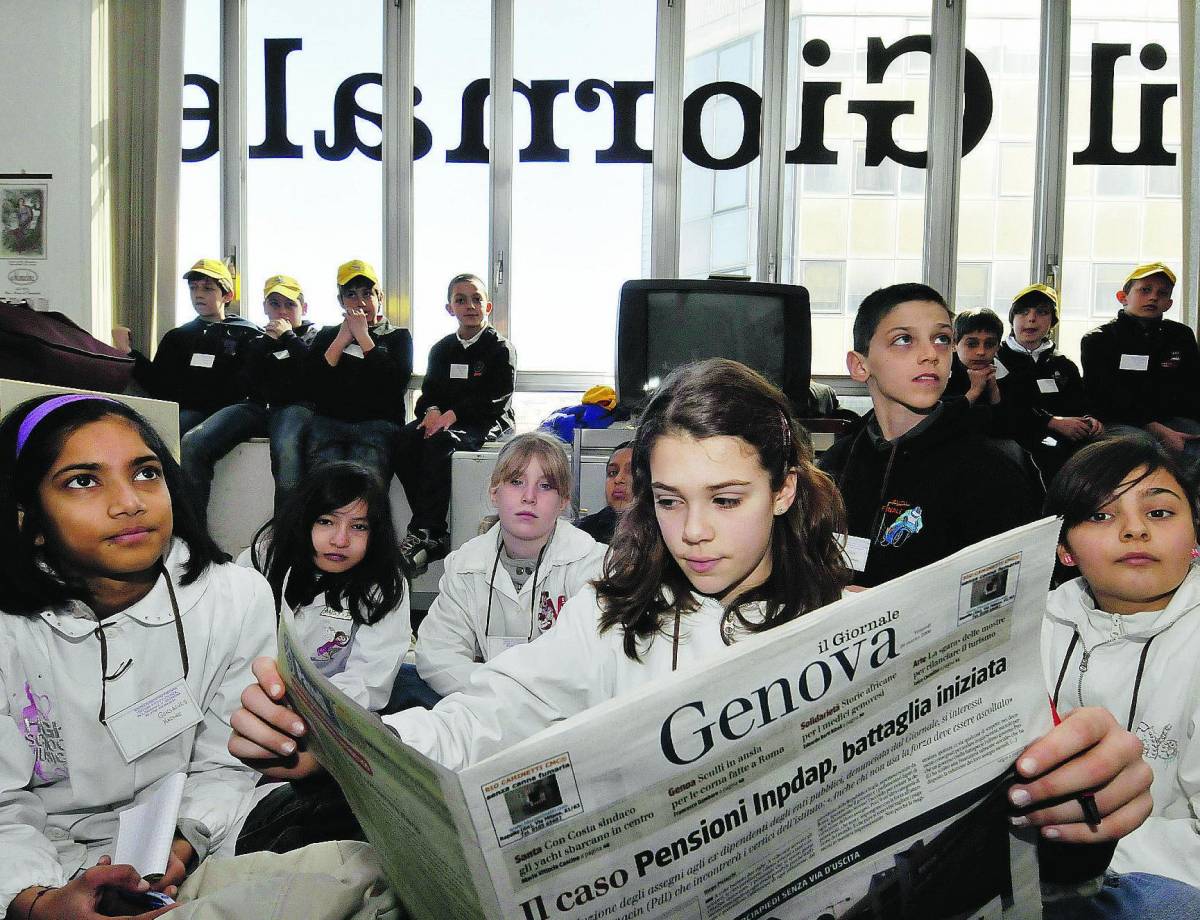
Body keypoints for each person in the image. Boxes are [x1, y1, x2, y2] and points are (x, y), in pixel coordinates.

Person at [228, 359, 1176, 916]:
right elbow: (491, 709)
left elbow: (994, 807)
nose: (693, 532)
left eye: (726, 500)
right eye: (671, 501)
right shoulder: (620, 613)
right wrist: (354, 754)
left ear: (786, 490)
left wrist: (1073, 801)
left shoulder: (860, 617)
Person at [0, 394, 275, 919]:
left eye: (146, 473)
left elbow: (226, 759)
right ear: (28, 516)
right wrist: (35, 901)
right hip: (33, 856)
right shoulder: (9, 627)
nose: (129, 502)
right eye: (83, 480)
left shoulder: (236, 596)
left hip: (192, 838)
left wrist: (183, 841)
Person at [1043, 433, 1200, 889]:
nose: (1135, 530)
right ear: (1064, 549)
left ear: (1194, 533)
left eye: (1159, 512)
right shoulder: (1037, 625)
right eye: (1100, 514)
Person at [817, 284, 1037, 588]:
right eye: (904, 339)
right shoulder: (837, 463)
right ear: (859, 365)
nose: (930, 354)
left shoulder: (989, 468)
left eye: (942, 339)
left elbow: (999, 595)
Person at [414, 432, 605, 696]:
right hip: (482, 706)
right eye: (516, 482)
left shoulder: (594, 566)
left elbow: (594, 665)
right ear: (495, 492)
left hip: (562, 718)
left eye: (546, 485)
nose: (529, 497)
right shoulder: (464, 566)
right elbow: (437, 656)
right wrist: (503, 692)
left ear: (564, 502)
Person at [243, 461, 411, 712]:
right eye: (326, 521)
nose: (340, 540)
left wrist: (307, 708)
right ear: (303, 519)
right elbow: (236, 656)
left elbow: (368, 681)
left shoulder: (385, 582)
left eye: (358, 526)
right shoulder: (262, 559)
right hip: (252, 699)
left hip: (335, 711)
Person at [395, 273, 516, 575]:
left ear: (487, 306)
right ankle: (433, 529)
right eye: (461, 300)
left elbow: (496, 398)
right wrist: (433, 410)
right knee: (402, 440)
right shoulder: (441, 349)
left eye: (477, 299)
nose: (470, 306)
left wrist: (453, 415)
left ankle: (426, 531)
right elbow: (429, 394)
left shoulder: (500, 348)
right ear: (450, 308)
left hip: (487, 421)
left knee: (440, 443)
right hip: (446, 421)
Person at [180, 273, 319, 519]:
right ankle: (194, 538)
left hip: (295, 407)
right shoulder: (256, 338)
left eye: (290, 304)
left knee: (287, 454)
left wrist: (289, 337)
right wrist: (266, 343)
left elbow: (313, 377)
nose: (282, 311)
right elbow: (242, 383)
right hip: (256, 408)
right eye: (275, 304)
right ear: (265, 307)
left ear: (304, 308)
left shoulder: (316, 336)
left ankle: (285, 541)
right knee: (193, 443)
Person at [113, 259, 261, 435]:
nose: (198, 294)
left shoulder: (246, 333)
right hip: (187, 412)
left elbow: (249, 383)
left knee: (183, 426)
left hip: (231, 413)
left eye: (207, 288)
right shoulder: (178, 336)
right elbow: (159, 383)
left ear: (227, 295)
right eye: (193, 288)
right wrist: (127, 352)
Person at [1080, 262, 1200, 474]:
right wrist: (1156, 428)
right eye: (1145, 290)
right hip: (1119, 421)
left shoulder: (1180, 336)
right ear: (1122, 297)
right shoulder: (1099, 339)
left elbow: (1192, 386)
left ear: (1169, 304)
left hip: (1171, 420)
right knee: (1145, 448)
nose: (1153, 297)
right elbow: (1106, 395)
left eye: (1162, 293)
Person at [304, 260, 412, 487]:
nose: (360, 302)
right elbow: (313, 384)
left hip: (378, 426)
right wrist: (341, 340)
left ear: (379, 298)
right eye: (351, 295)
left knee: (366, 489)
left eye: (367, 294)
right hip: (329, 424)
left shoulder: (398, 337)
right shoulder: (326, 335)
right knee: (323, 489)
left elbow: (393, 384)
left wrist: (364, 337)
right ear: (341, 301)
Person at [997, 284, 1101, 483]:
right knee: (1052, 453)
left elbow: (1080, 401)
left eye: (1042, 312)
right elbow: (1008, 408)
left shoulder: (1063, 363)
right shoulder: (998, 359)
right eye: (1023, 312)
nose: (1031, 318)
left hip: (1068, 434)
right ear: (1012, 319)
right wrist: (1052, 422)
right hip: (1023, 434)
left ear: (1052, 322)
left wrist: (1089, 419)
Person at [576, 441, 632, 544]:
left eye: (631, 471)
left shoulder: (665, 531)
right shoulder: (583, 532)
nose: (618, 479)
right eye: (612, 473)